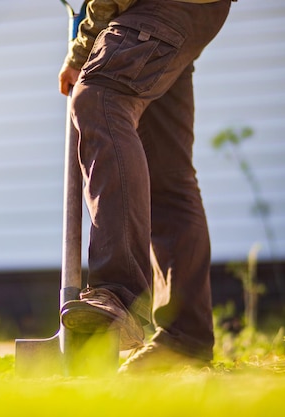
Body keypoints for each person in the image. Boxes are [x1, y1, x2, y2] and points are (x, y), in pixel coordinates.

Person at [57, 0, 233, 372]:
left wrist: (82, 47)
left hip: (158, 7)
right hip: (200, 11)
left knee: (101, 97)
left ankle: (117, 293)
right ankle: (184, 338)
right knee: (167, 173)